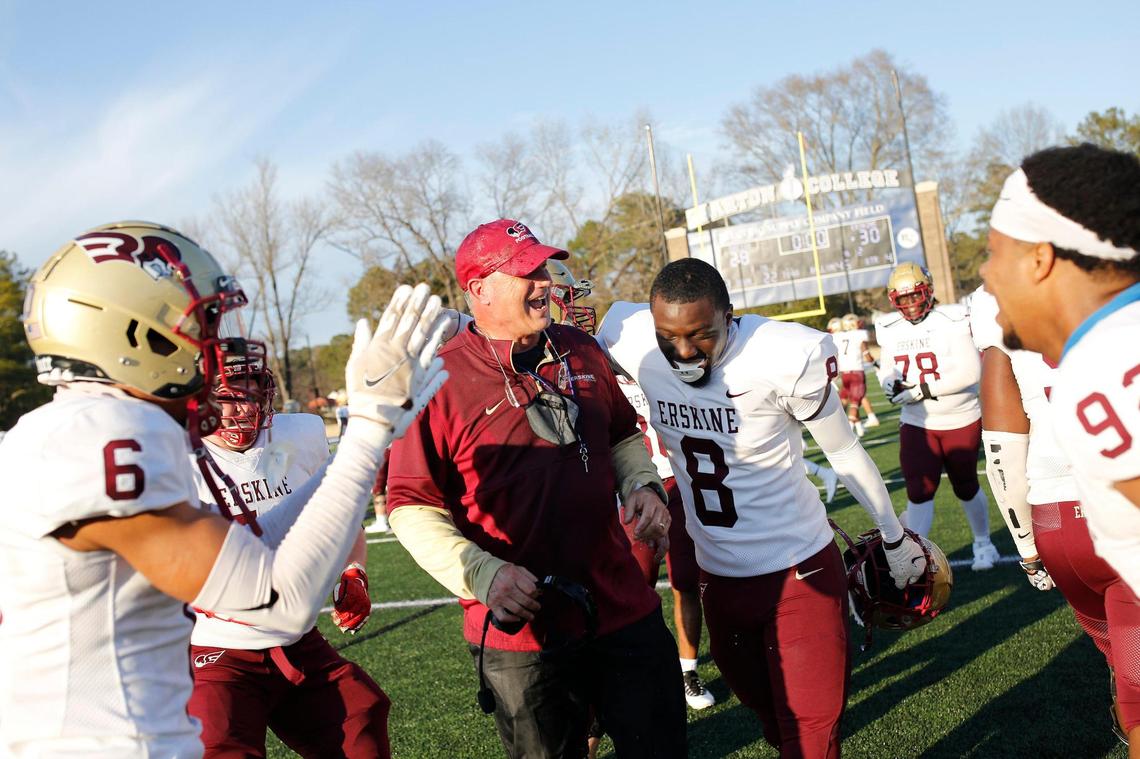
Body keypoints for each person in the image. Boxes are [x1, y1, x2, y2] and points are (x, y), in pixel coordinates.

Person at [0, 221, 447, 757]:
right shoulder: (101, 438)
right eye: (200, 327)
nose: (211, 347)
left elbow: (252, 548)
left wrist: (372, 437)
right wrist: (369, 434)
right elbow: (275, 603)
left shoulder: (81, 428)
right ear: (133, 336)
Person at [595, 258, 927, 758]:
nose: (684, 351)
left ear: (730, 315)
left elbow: (843, 450)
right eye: (670, 337)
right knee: (772, 722)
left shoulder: (781, 354)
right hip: (719, 579)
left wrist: (893, 534)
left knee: (810, 738)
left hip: (799, 571)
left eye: (701, 335)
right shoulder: (630, 337)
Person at [385, 219, 685, 759]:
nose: (545, 282)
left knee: (661, 746)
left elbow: (620, 433)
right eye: (526, 272)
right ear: (480, 289)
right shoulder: (436, 381)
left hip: (619, 599)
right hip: (523, 628)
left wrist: (641, 483)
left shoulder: (579, 347)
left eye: (543, 268)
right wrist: (483, 574)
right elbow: (410, 505)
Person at [979, 145, 1140, 746]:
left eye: (995, 254)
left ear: (1041, 259)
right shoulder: (1098, 353)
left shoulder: (1110, 361)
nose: (986, 275)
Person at [187, 357, 389, 757]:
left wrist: (353, 570)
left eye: (249, 393)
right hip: (216, 651)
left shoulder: (298, 435)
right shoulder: (172, 459)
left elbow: (341, 517)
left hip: (295, 639)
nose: (241, 408)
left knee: (360, 722)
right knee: (218, 747)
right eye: (225, 397)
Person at [547, 259, 716, 712]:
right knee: (622, 596)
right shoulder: (550, 361)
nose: (578, 308)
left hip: (672, 478)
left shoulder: (622, 328)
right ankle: (604, 700)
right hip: (617, 493)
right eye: (567, 299)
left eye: (577, 296)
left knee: (686, 580)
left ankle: (687, 671)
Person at [874, 263, 998, 570]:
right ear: (893, 300)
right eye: (902, 300)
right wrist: (889, 383)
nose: (910, 305)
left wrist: (920, 391)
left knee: (966, 484)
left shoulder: (952, 320)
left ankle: (984, 543)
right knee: (918, 490)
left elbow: (971, 372)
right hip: (917, 421)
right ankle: (915, 557)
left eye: (915, 296)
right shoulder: (890, 328)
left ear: (928, 292)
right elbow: (887, 367)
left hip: (960, 417)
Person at [834, 313, 880, 436]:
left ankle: (858, 428)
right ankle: (849, 430)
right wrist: (876, 364)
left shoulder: (837, 337)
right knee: (855, 402)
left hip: (845, 373)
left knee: (848, 398)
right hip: (856, 372)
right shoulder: (858, 336)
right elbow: (867, 355)